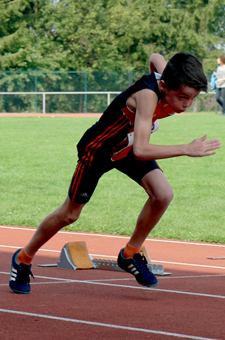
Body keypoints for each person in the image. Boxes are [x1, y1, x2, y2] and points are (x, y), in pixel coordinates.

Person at [9, 52, 221, 294]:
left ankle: (130, 254)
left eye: (192, 99)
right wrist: (186, 148)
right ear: (163, 86)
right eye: (182, 97)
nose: (186, 105)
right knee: (69, 214)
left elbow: (155, 56)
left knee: (163, 194)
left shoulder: (169, 76)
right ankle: (23, 257)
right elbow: (142, 150)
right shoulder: (148, 96)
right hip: (98, 150)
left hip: (127, 146)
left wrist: (147, 121)